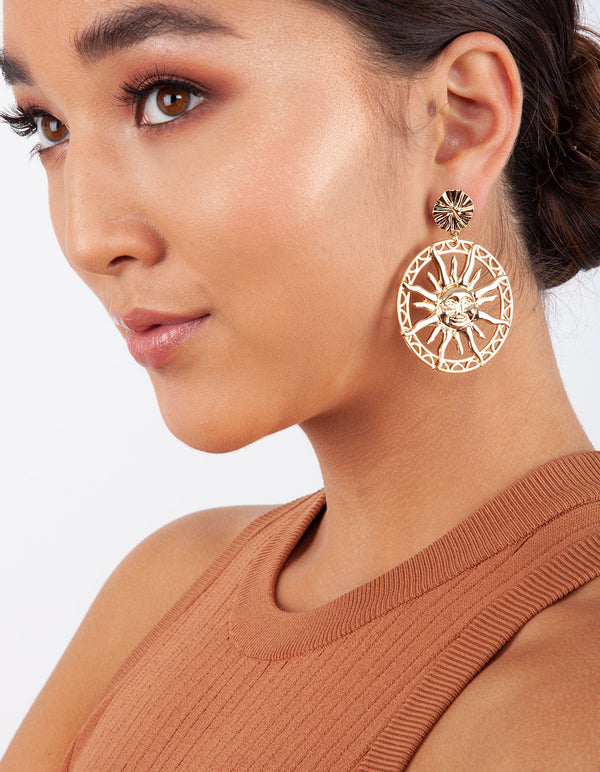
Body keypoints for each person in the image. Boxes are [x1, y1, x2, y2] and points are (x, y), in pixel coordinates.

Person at [1, 0, 599, 768]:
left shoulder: (569, 697)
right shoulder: (166, 589)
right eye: (47, 127)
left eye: (168, 98)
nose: (88, 237)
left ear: (460, 121)